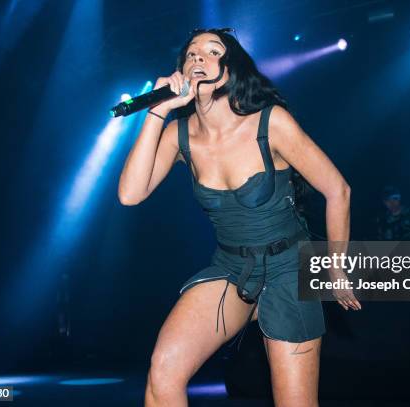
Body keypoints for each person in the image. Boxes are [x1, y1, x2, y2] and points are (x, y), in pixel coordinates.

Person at [118, 28, 359, 407]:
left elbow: (337, 189)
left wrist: (335, 267)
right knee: (162, 372)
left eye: (211, 52)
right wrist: (157, 111)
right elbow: (130, 195)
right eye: (191, 53)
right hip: (232, 267)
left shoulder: (270, 122)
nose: (198, 58)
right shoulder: (177, 134)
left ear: (228, 72)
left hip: (288, 268)